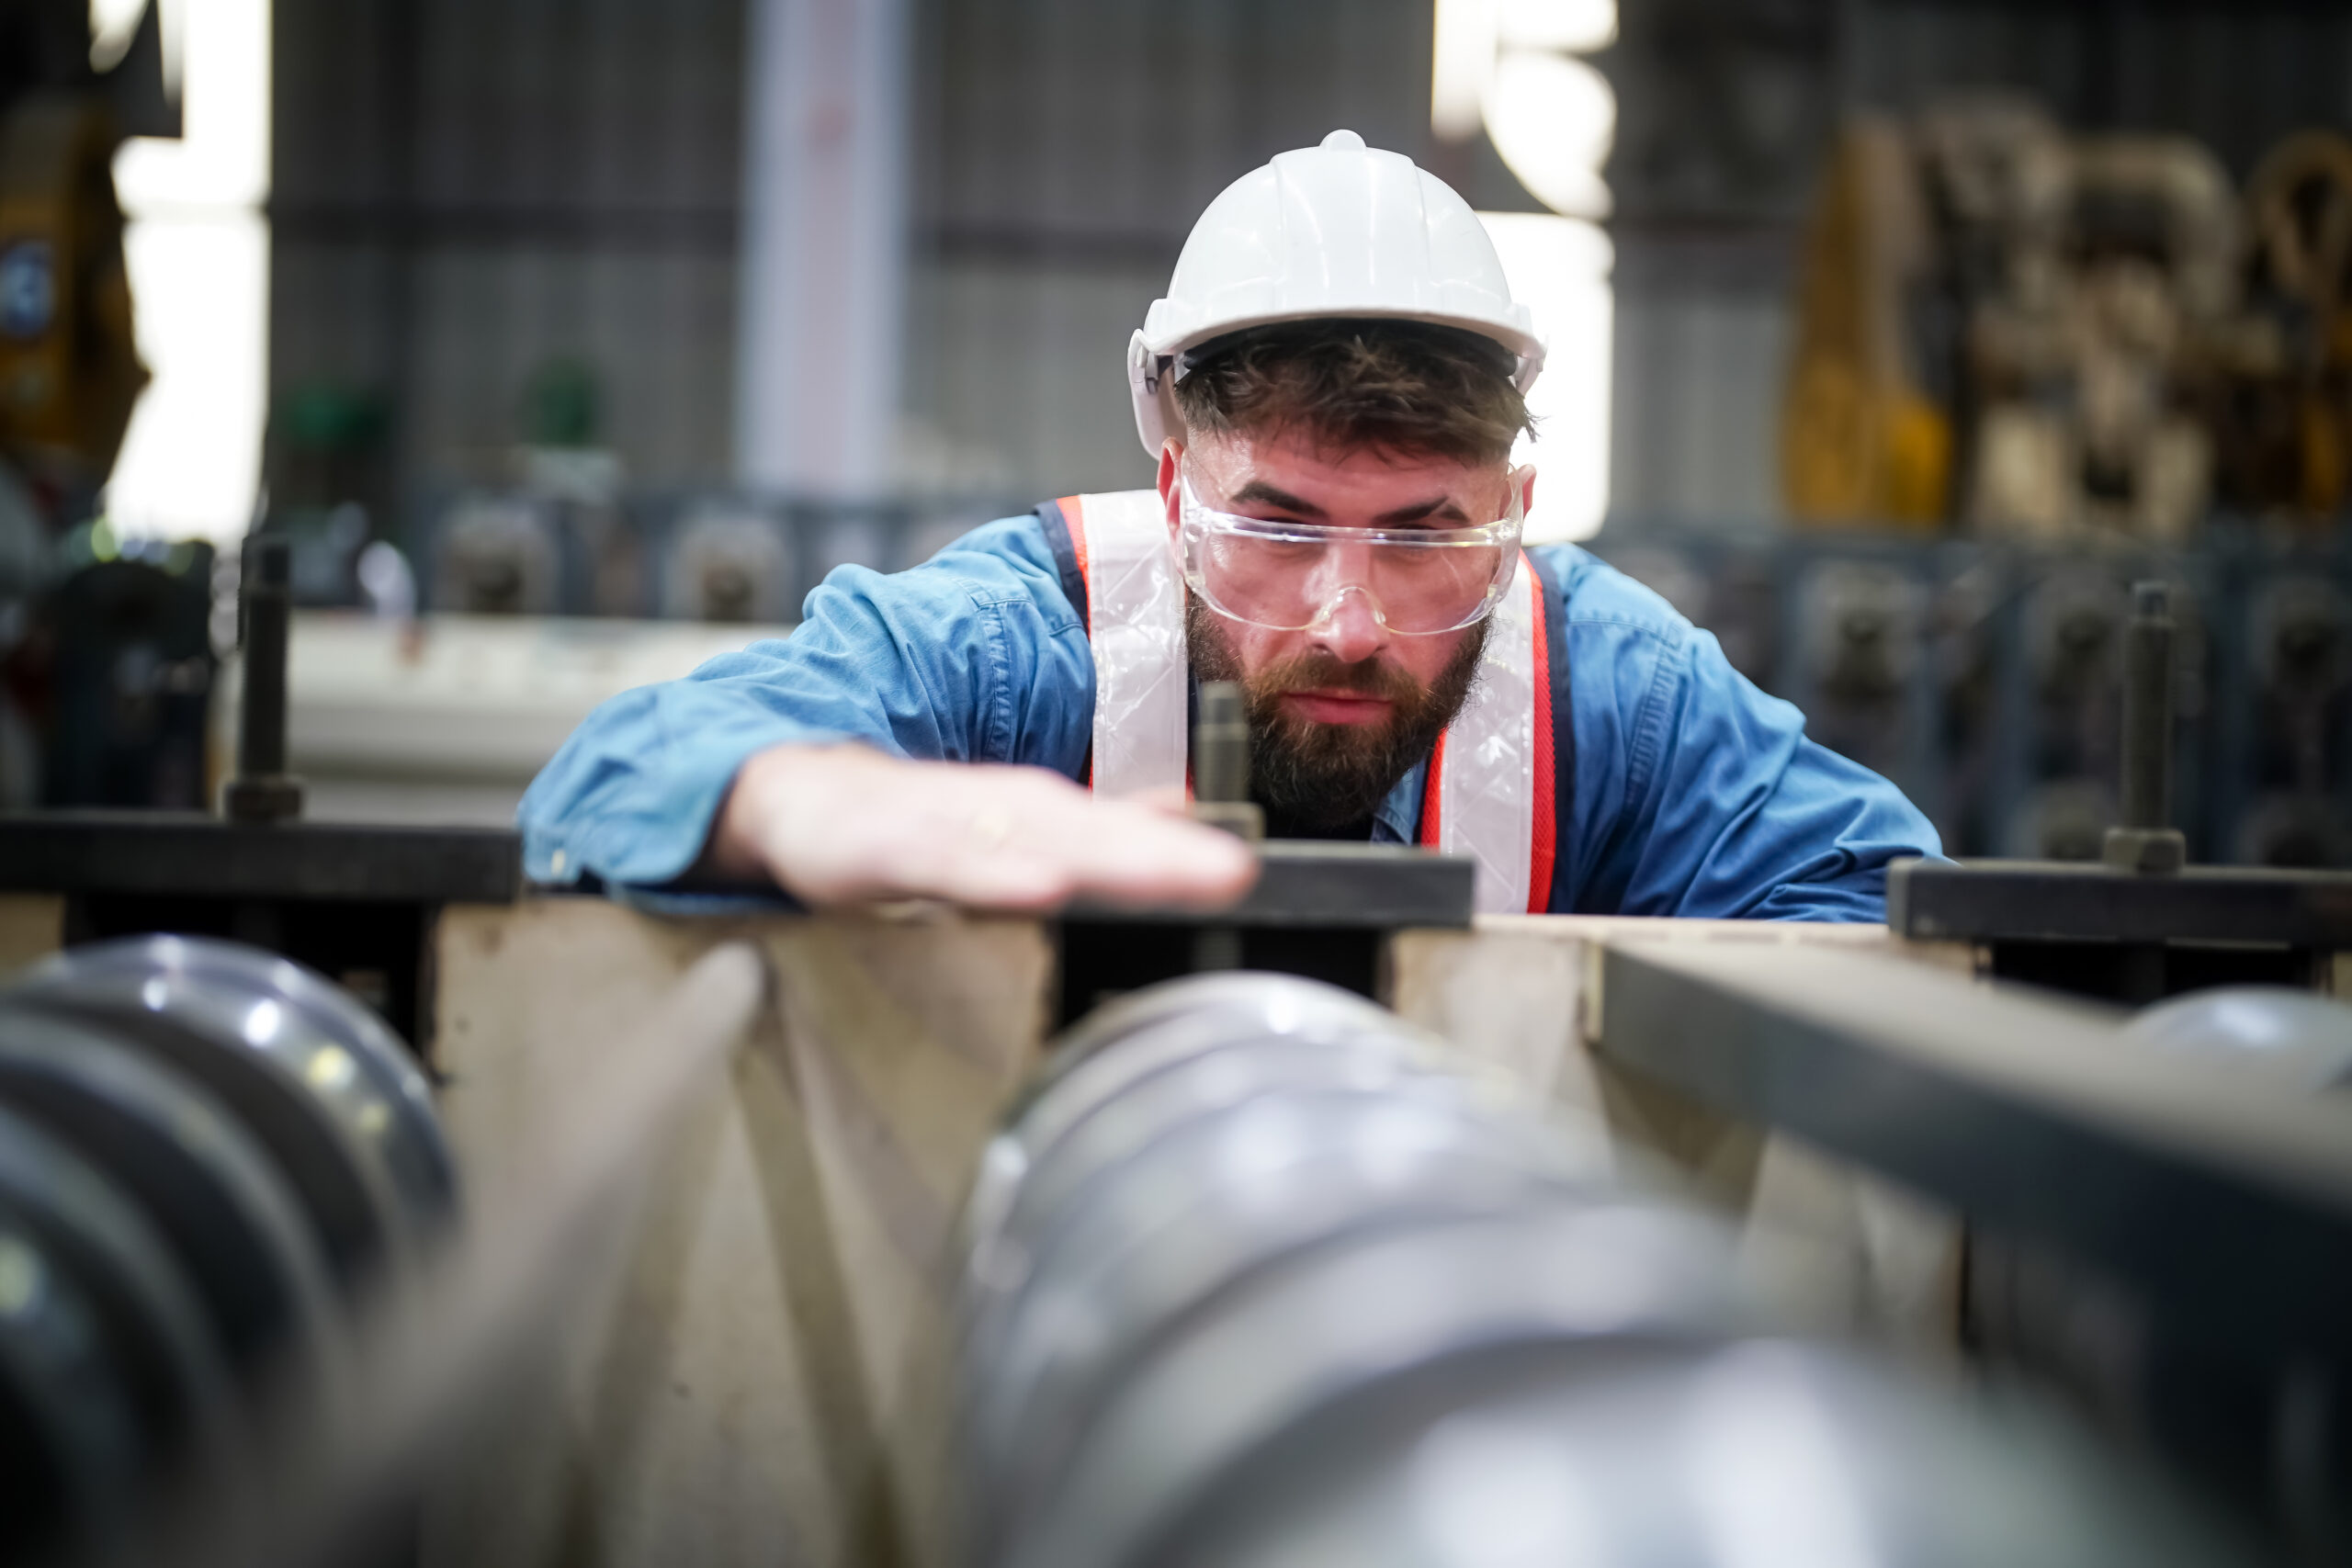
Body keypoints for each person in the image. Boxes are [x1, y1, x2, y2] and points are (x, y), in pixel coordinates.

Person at [521, 130, 1939, 920]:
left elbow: (1887, 913)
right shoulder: (1023, 654)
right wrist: (817, 799)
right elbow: (606, 781)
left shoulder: (1613, 695)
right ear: (1175, 497)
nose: (1346, 617)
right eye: (1278, 522)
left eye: (1423, 536)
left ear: (1516, 516)